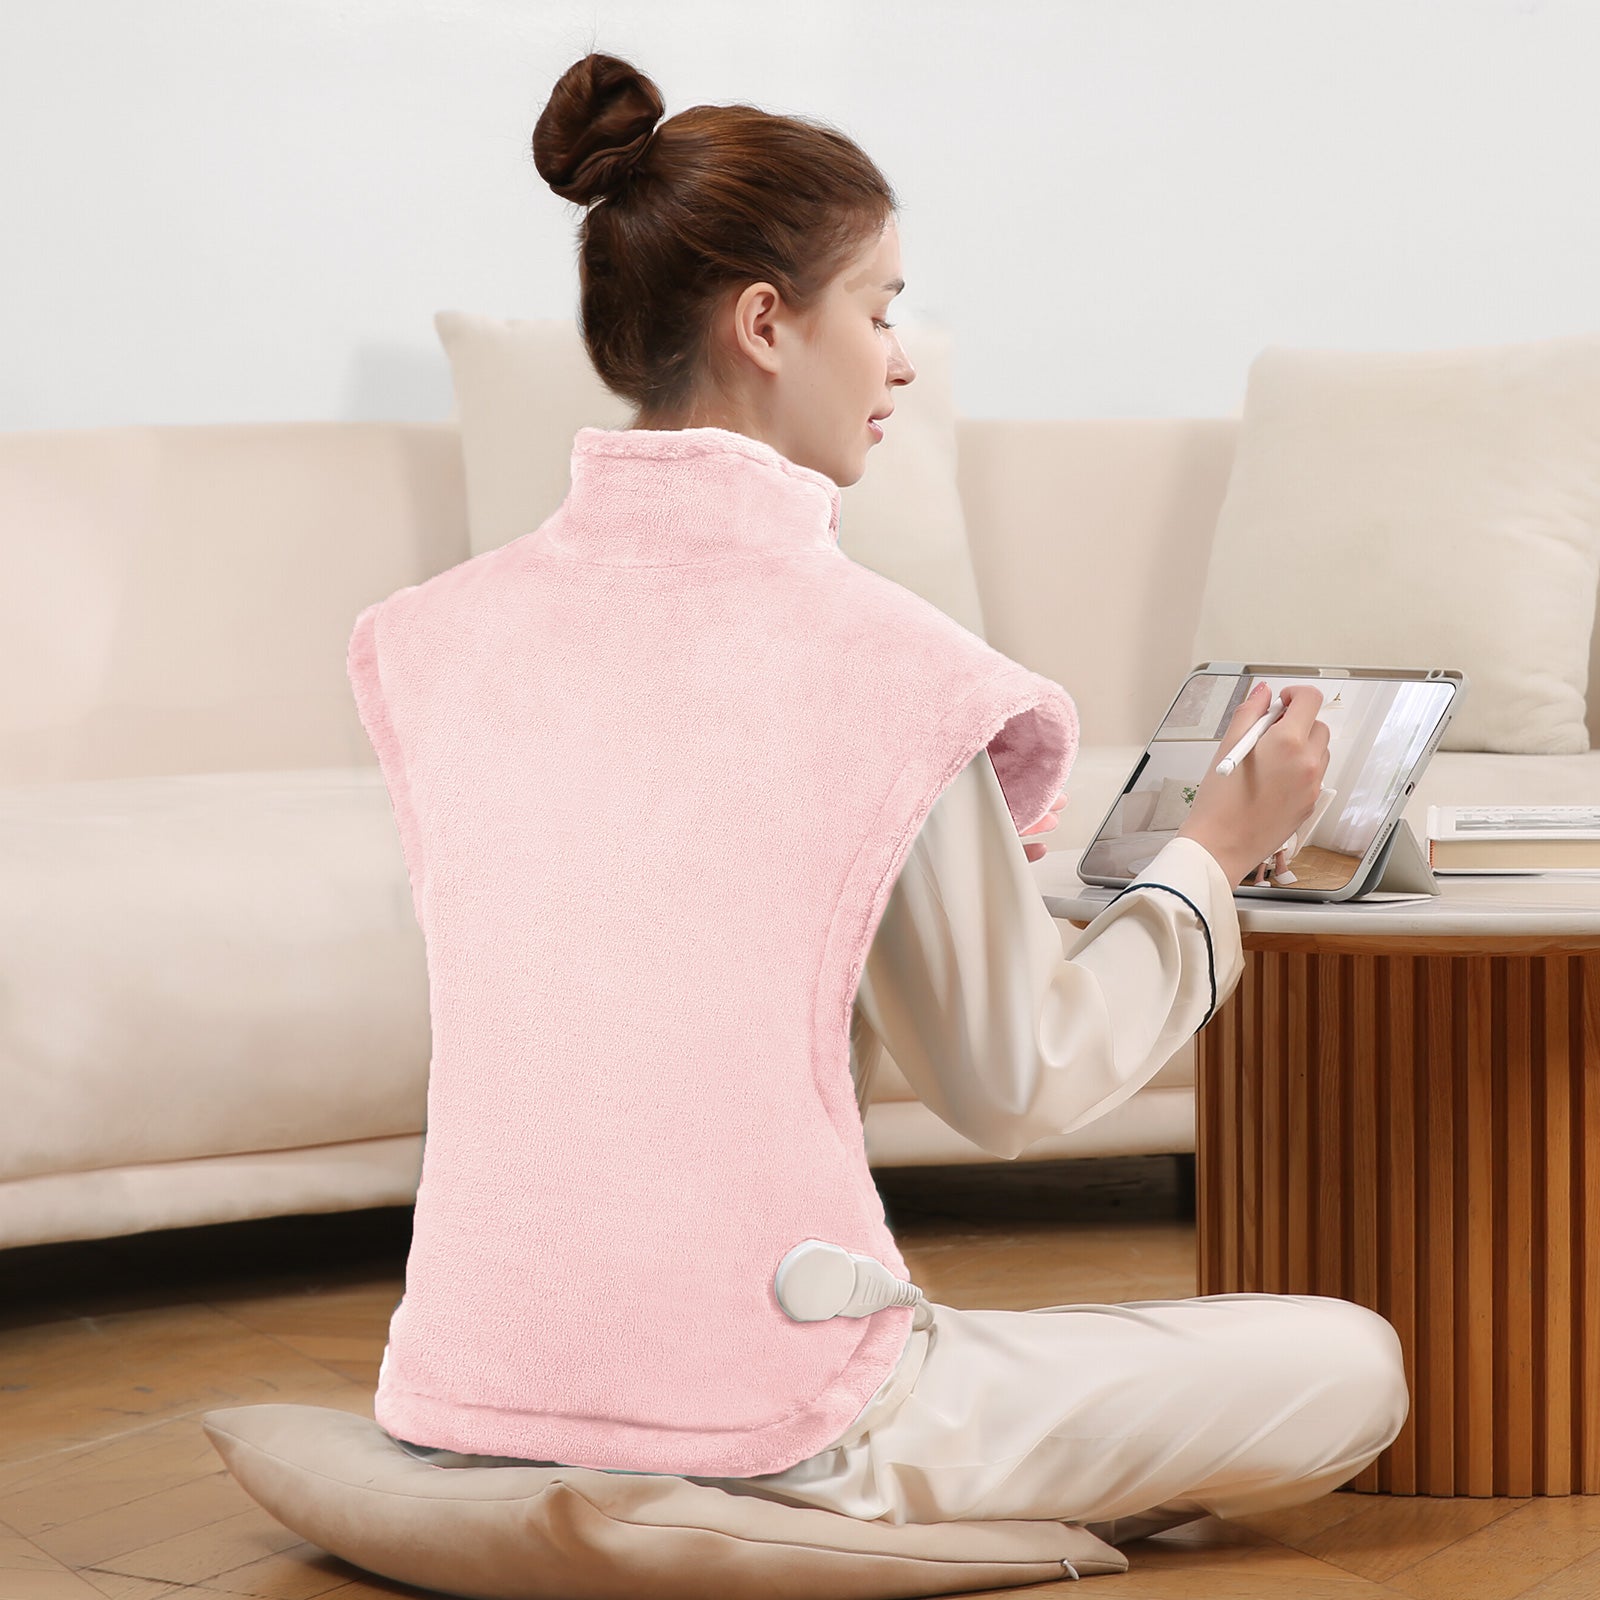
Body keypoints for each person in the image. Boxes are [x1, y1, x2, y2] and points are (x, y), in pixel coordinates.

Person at [394, 49, 1409, 1543]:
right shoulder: (885, 666)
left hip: (464, 1401)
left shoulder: (430, 640)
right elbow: (1014, 1081)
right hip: (789, 1428)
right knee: (1351, 1361)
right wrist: (1214, 848)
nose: (903, 358)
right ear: (764, 325)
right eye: (878, 311)